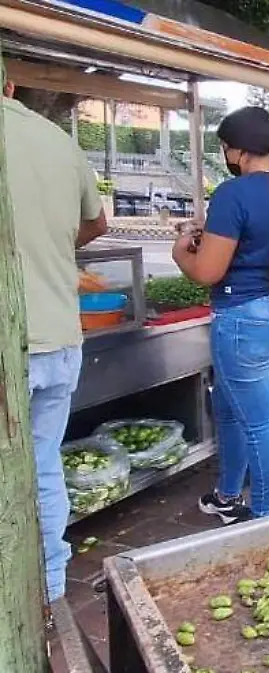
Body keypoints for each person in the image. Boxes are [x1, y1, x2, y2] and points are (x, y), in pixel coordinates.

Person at [174, 107, 269, 524]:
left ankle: (263, 517)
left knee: (259, 423)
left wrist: (182, 251)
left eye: (226, 148)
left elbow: (207, 271)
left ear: (236, 150)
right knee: (232, 408)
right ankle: (227, 494)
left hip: (245, 323)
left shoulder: (234, 194)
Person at [5, 71, 108, 605]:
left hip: (12, 351)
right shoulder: (56, 139)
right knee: (43, 464)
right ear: (12, 85)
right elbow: (97, 222)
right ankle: (47, 585)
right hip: (61, 338)